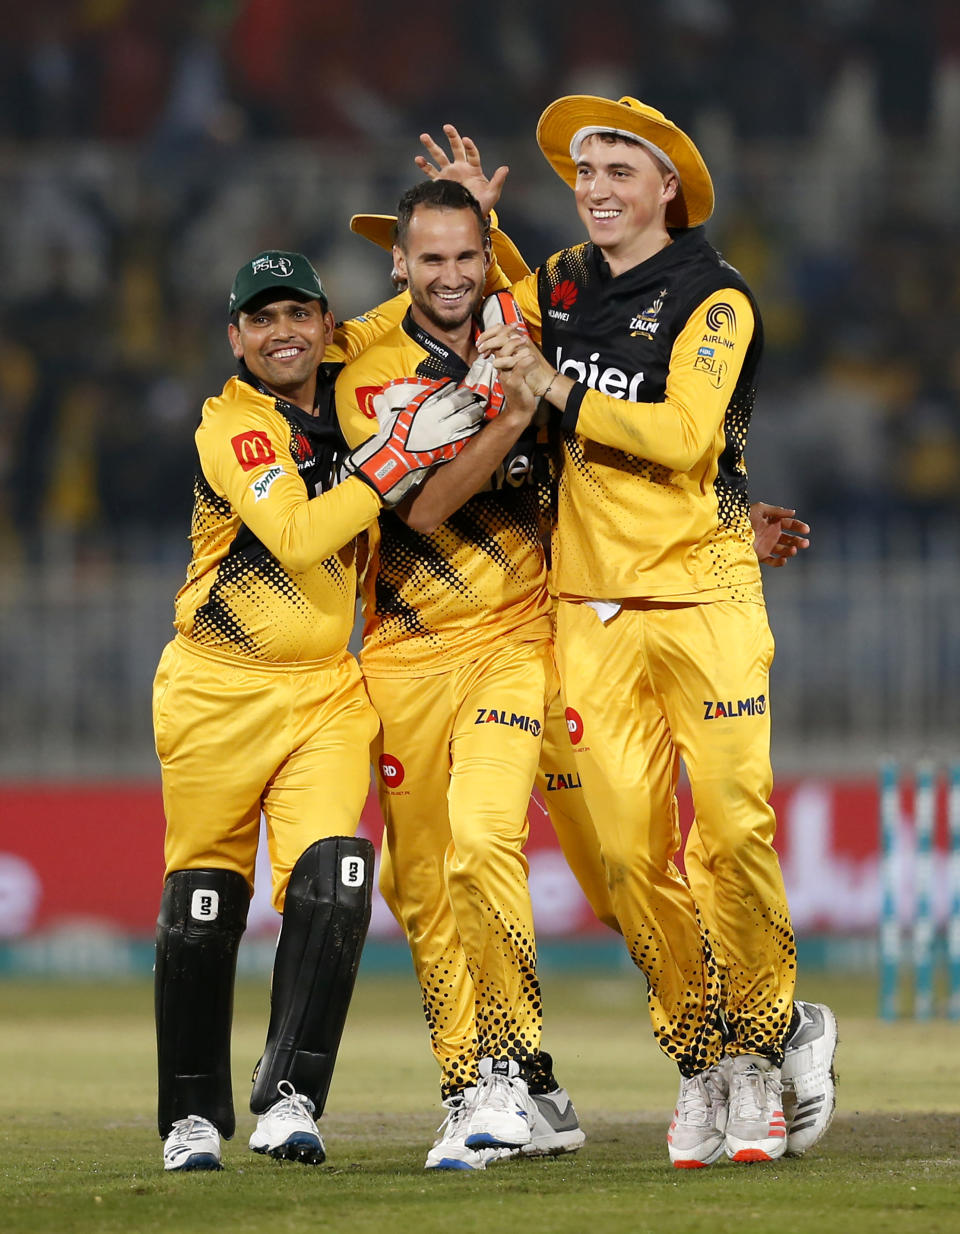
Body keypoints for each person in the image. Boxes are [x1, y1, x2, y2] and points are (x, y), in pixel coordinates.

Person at [417, 102, 837, 1168]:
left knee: (733, 834)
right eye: (583, 170)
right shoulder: (560, 280)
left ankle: (773, 1032)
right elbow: (493, 300)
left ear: (668, 189)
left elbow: (690, 439)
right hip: (588, 613)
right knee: (622, 861)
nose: (594, 185)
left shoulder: (717, 296)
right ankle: (712, 1060)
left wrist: (557, 391)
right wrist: (475, 214)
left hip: (705, 603)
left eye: (616, 169)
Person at [152, 249, 489, 1172]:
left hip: (329, 692)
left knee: (338, 876)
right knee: (209, 897)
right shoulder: (233, 427)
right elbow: (298, 535)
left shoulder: (347, 377)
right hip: (217, 687)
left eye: (299, 313)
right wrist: (392, 460)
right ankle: (189, 1117)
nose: (283, 332)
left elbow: (427, 296)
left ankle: (291, 1095)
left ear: (325, 322)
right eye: (262, 319)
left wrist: (466, 225)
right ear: (236, 336)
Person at [336, 180, 586, 1172]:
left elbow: (562, 292)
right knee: (416, 877)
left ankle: (510, 1074)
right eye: (429, 258)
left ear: (487, 257)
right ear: (399, 263)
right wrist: (505, 416)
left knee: (485, 839)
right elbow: (427, 508)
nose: (449, 276)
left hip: (514, 639)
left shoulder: (521, 327)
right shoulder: (363, 366)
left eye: (466, 257)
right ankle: (478, 1085)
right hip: (401, 650)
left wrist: (520, 369)